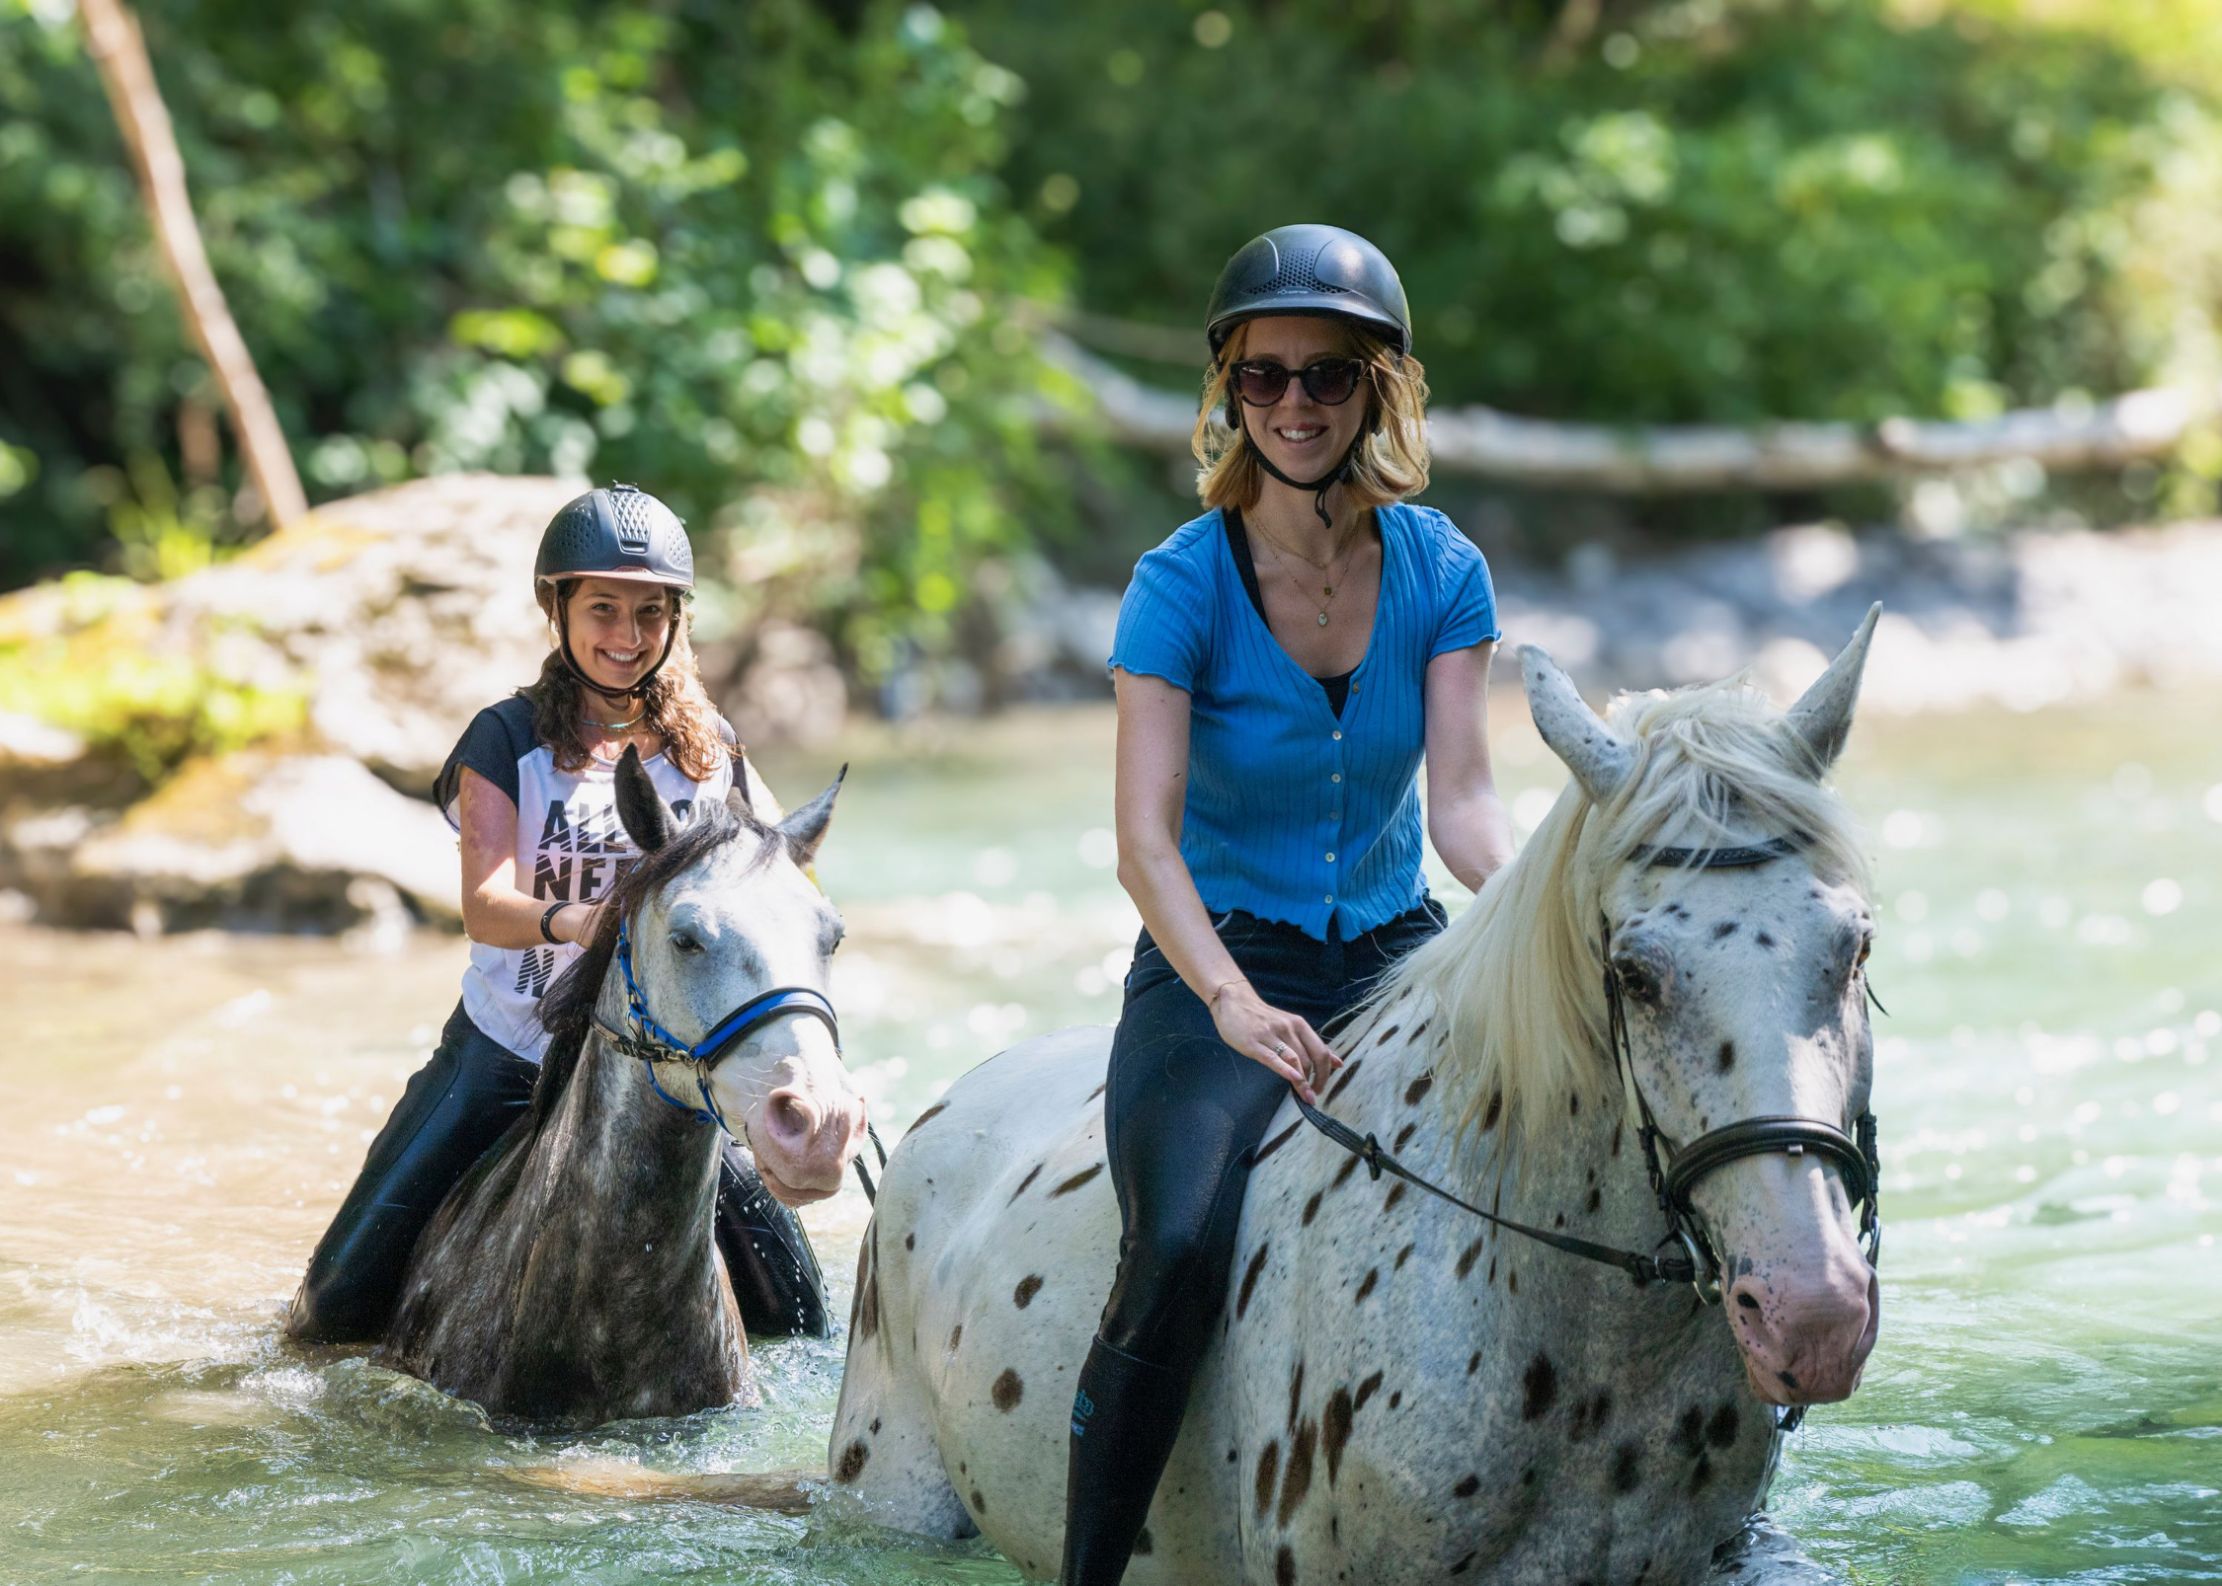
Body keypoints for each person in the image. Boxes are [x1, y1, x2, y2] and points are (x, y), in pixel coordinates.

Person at [1060, 225, 1514, 1584]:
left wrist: (1564, 903)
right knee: (1182, 1236)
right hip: (1216, 963)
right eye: (1264, 379)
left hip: (1394, 953)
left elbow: (1463, 812)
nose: (1295, 405)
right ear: (1226, 392)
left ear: (1379, 389)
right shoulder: (1177, 583)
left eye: (1327, 375)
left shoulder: (1442, 570)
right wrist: (1232, 999)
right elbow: (1142, 842)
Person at [286, 483, 831, 1345]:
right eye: (604, 608)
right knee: (336, 1297)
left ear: (676, 621)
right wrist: (586, 923)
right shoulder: (505, 740)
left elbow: (775, 876)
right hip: (513, 1049)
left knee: (799, 1315)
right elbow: (487, 906)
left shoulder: (710, 748)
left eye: (650, 613)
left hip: (664, 1068)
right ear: (559, 610)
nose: (627, 635)